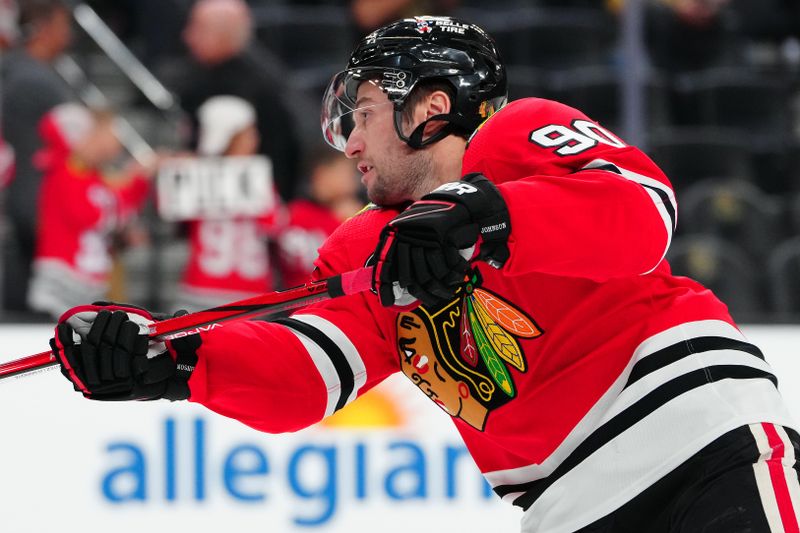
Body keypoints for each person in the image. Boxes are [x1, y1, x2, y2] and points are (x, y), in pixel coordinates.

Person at [49, 16, 799, 533]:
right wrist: (177, 362)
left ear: (432, 109)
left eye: (364, 112)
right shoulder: (366, 247)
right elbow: (308, 373)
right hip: (569, 509)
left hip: (701, 444)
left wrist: (481, 214)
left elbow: (642, 214)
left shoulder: (515, 134)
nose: (349, 143)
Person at [27, 103, 152, 319]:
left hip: (89, 282)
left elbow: (119, 209)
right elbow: (90, 215)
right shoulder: (64, 173)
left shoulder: (94, 176)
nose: (112, 147)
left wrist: (136, 183)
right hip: (62, 281)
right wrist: (134, 182)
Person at [174, 0, 302, 202]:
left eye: (196, 27)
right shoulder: (194, 79)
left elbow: (284, 156)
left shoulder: (260, 87)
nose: (186, 36)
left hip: (254, 206)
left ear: (221, 33)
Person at [173, 95, 282, 312]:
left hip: (234, 290)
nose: (255, 138)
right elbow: (276, 225)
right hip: (222, 289)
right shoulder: (196, 175)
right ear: (227, 136)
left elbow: (275, 226)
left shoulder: (195, 175)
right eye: (248, 133)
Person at [1, 0, 73, 313]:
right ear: (45, 29)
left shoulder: (13, 70)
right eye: (63, 26)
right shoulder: (34, 80)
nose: (68, 35)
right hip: (31, 201)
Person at [277, 146, 361, 288]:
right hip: (302, 304)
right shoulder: (296, 214)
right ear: (321, 174)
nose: (353, 183)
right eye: (346, 174)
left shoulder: (357, 215)